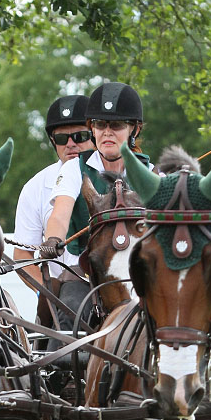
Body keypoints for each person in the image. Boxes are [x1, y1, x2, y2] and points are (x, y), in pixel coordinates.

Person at [38, 81, 153, 338]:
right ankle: (63, 375)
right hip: (88, 272)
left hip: (141, 274)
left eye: (116, 125)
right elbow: (60, 213)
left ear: (134, 128)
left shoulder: (152, 174)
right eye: (100, 125)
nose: (107, 132)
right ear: (92, 128)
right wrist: (53, 238)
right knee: (70, 311)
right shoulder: (72, 169)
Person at [12, 94, 94, 293]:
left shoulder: (116, 176)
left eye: (80, 136)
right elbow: (23, 256)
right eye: (61, 138)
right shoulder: (34, 188)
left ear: (95, 135)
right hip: (65, 293)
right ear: (52, 141)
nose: (70, 144)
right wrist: (48, 294)